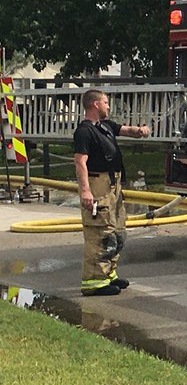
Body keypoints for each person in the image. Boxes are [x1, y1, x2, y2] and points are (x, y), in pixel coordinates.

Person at [72, 89, 150, 296]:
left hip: (113, 186)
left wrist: (140, 130)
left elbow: (126, 130)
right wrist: (86, 191)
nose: (108, 106)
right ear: (95, 104)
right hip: (98, 185)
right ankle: (94, 282)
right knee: (101, 232)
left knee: (117, 232)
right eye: (106, 102)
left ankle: (108, 274)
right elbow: (80, 162)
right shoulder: (84, 131)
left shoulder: (105, 126)